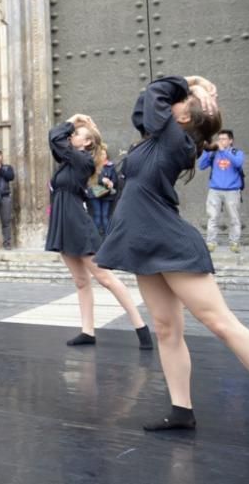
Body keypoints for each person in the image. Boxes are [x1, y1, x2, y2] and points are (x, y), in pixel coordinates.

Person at [96, 76, 249, 429]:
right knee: (165, 328)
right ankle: (182, 411)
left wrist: (193, 82)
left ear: (181, 119)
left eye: (182, 100)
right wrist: (192, 90)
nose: (173, 100)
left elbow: (154, 92)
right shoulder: (159, 137)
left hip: (169, 242)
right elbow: (143, 104)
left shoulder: (177, 142)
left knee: (220, 323)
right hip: (143, 242)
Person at [46, 115, 152, 349]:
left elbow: (55, 135)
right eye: (72, 133)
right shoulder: (67, 160)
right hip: (63, 221)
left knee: (105, 278)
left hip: (76, 221)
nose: (71, 135)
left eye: (77, 135)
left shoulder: (82, 160)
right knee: (81, 281)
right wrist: (76, 125)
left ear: (87, 144)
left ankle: (141, 327)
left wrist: (72, 120)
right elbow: (55, 140)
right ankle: (88, 331)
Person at [198, 129, 244, 253]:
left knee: (234, 218)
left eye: (224, 139)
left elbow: (238, 163)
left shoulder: (237, 153)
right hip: (215, 190)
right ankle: (211, 243)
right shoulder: (214, 154)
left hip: (232, 191)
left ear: (230, 141)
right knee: (213, 217)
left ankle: (234, 243)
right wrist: (206, 151)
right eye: (219, 139)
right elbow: (201, 166)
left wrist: (224, 151)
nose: (221, 141)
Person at [87, 144, 117, 237]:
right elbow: (90, 178)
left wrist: (111, 182)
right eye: (101, 154)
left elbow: (115, 178)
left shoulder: (111, 166)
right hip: (94, 192)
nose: (103, 156)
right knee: (97, 215)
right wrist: (102, 179)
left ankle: (107, 237)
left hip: (107, 194)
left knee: (105, 216)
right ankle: (96, 237)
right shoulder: (93, 165)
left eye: (104, 154)